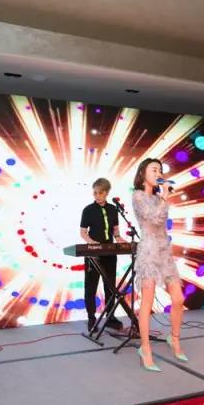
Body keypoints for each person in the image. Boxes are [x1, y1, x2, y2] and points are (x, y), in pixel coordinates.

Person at [131, 158, 187, 372]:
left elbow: (162, 222)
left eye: (160, 170)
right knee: (147, 302)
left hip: (164, 251)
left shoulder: (159, 197)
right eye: (154, 169)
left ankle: (174, 338)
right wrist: (164, 198)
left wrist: (163, 198)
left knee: (178, 299)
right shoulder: (137, 196)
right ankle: (145, 348)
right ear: (143, 173)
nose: (158, 173)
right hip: (148, 251)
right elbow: (152, 218)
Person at [80, 178, 126, 332]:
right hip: (93, 253)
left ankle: (110, 316)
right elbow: (83, 233)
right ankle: (91, 318)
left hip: (109, 252)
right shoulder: (88, 210)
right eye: (95, 193)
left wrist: (120, 240)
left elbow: (116, 232)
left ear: (106, 193)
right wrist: (92, 242)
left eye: (100, 193)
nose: (97, 196)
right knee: (91, 286)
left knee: (110, 286)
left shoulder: (113, 209)